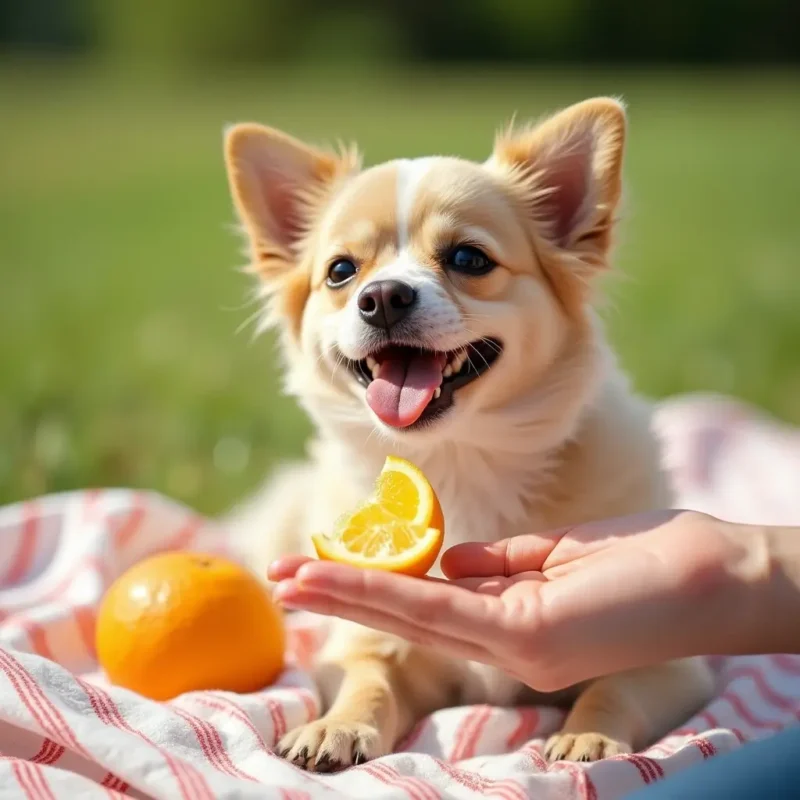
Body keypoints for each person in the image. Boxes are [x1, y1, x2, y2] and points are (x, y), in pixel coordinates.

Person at [269, 509, 800, 798]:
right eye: (336, 294)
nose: (379, 298)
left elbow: (676, 674)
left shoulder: (620, 486)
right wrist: (364, 706)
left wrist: (609, 709)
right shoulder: (348, 503)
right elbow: (367, 658)